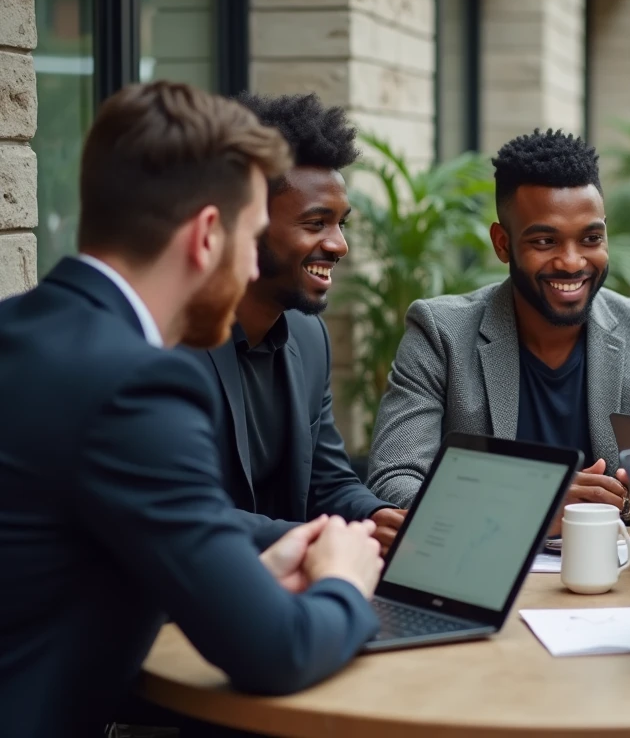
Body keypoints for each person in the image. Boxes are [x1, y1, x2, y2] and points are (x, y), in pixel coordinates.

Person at [0, 82, 384, 736]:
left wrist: (248, 561)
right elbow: (279, 650)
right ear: (208, 234)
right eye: (252, 233)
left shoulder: (21, 331)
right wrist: (346, 579)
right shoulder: (134, 386)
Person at [367, 129, 630, 528]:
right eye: (545, 241)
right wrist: (530, 505)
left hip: (619, 582)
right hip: (479, 576)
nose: (571, 261)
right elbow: (392, 482)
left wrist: (625, 505)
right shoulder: (441, 334)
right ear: (502, 243)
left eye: (590, 238)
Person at [185, 92, 404, 553]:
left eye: (341, 223)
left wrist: (376, 517)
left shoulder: (309, 337)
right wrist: (322, 539)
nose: (339, 245)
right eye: (316, 223)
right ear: (246, 224)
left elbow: (329, 482)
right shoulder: (173, 341)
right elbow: (188, 513)